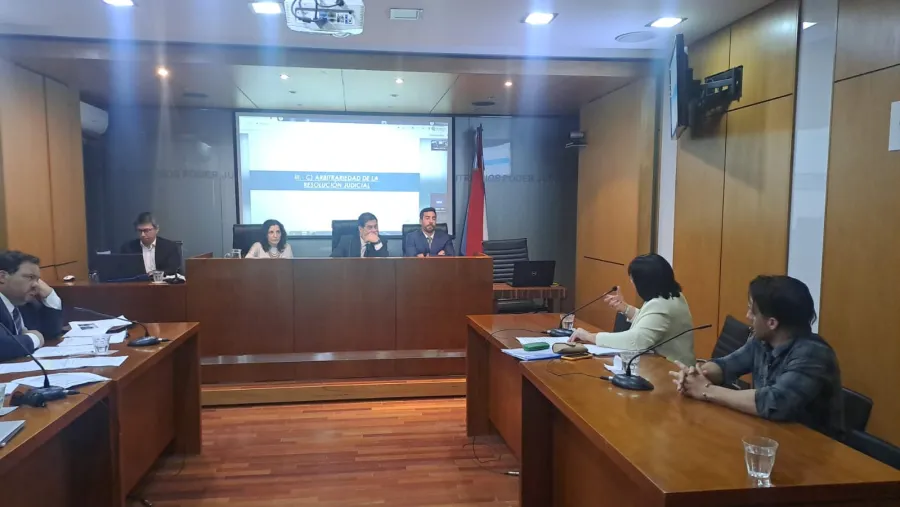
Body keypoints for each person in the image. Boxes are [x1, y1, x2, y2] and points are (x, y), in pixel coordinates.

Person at [670, 275, 843, 438]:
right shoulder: (761, 341)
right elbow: (727, 365)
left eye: (753, 311)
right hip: (767, 435)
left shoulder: (813, 354)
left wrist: (706, 390)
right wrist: (696, 375)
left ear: (772, 323)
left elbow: (774, 403)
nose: (748, 316)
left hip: (811, 446)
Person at [568, 253, 695, 366]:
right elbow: (652, 323)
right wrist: (625, 309)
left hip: (672, 372)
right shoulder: (671, 296)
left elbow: (636, 340)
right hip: (662, 366)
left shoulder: (661, 304)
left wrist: (590, 337)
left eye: (633, 280)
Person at [0, 251, 64, 362]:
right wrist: (35, 338)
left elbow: (50, 332)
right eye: (30, 277)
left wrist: (50, 295)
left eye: (37, 280)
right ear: (2, 277)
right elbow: (3, 347)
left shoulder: (24, 303)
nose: (36, 285)